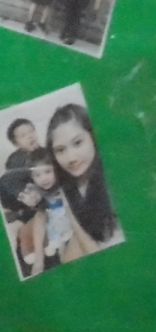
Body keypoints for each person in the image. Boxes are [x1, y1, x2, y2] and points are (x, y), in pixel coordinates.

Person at [46, 101, 121, 256]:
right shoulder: (67, 187)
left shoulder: (116, 175)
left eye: (78, 143)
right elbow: (84, 239)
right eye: (60, 150)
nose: (71, 158)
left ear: (93, 136)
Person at [23, 150, 75, 275]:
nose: (43, 179)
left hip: (71, 222)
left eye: (47, 172)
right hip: (55, 225)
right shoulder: (38, 190)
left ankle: (63, 251)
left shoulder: (65, 183)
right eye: (37, 175)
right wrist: (32, 201)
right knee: (40, 215)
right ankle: (39, 257)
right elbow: (38, 205)